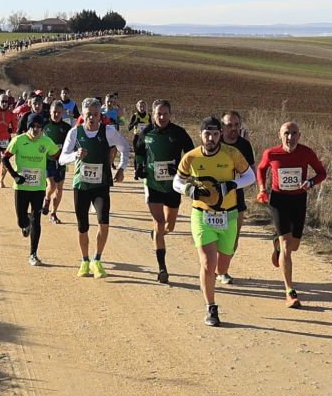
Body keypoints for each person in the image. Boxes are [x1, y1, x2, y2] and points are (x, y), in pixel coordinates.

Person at [174, 116, 255, 327]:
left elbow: (250, 177)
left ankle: (220, 273)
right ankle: (210, 307)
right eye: (207, 134)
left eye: (215, 134)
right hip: (202, 215)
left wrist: (233, 184)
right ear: (200, 134)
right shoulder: (191, 157)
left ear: (220, 134)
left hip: (228, 215)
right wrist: (187, 189)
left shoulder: (232, 154)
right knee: (208, 264)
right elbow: (177, 181)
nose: (211, 138)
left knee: (223, 263)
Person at [253, 120, 327, 306]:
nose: (290, 137)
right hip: (278, 200)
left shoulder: (306, 152)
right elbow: (261, 169)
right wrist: (262, 188)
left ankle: (277, 245)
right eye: (287, 133)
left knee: (294, 246)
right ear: (280, 135)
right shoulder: (271, 153)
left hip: (298, 200)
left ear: (299, 136)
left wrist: (310, 183)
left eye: (294, 133)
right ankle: (289, 291)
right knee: (288, 246)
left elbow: (321, 173)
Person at [57, 98, 127, 278]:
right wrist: (75, 155)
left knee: (104, 223)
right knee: (83, 226)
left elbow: (125, 147)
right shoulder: (75, 132)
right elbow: (62, 158)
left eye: (96, 115)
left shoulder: (108, 131)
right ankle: (84, 261)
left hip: (101, 185)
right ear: (82, 115)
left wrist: (121, 168)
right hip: (81, 186)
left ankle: (97, 259)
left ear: (100, 115)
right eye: (89, 114)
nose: (92, 118)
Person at [133, 98, 195, 284]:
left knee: (169, 226)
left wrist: (181, 171)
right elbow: (139, 151)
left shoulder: (179, 133)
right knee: (159, 224)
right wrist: (140, 166)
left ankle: (157, 235)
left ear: (170, 114)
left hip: (173, 186)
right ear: (153, 114)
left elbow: (191, 154)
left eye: (165, 114)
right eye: (158, 114)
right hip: (153, 185)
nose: (162, 117)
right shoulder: (146, 132)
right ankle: (162, 268)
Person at [3, 114, 61, 265]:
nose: (36, 130)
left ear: (42, 128)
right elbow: (5, 158)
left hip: (38, 187)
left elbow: (57, 155)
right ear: (28, 126)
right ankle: (25, 223)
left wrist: (59, 164)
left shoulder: (46, 141)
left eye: (39, 127)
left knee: (37, 220)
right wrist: (15, 176)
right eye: (33, 126)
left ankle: (33, 254)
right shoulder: (19, 140)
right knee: (21, 221)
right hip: (21, 187)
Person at [216, 110, 255, 286]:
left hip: (236, 197)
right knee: (215, 236)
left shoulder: (244, 145)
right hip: (213, 199)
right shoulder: (213, 143)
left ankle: (223, 270)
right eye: (229, 125)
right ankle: (215, 268)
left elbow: (252, 172)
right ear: (222, 126)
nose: (233, 128)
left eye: (236, 125)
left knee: (233, 238)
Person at [41, 108, 73, 223]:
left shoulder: (66, 127)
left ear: (62, 113)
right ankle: (47, 198)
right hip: (47, 160)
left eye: (59, 112)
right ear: (50, 111)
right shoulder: (44, 124)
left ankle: (53, 213)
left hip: (61, 161)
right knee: (52, 185)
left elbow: (72, 141)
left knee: (59, 189)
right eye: (54, 112)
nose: (56, 114)